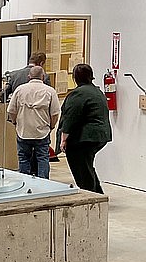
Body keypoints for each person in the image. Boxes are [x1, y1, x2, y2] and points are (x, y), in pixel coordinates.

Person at [57, 62, 112, 194]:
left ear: (74, 78)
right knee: (87, 167)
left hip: (84, 138)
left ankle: (89, 197)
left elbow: (70, 117)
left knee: (82, 170)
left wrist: (63, 139)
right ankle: (98, 195)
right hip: (100, 136)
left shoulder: (79, 94)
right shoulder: (97, 91)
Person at [6, 65, 61, 179]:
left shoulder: (20, 89)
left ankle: (25, 182)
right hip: (42, 131)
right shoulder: (50, 91)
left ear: (29, 76)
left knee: (23, 158)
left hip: (23, 131)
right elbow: (55, 113)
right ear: (43, 76)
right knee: (43, 158)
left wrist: (15, 122)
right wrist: (51, 126)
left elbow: (11, 110)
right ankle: (43, 183)